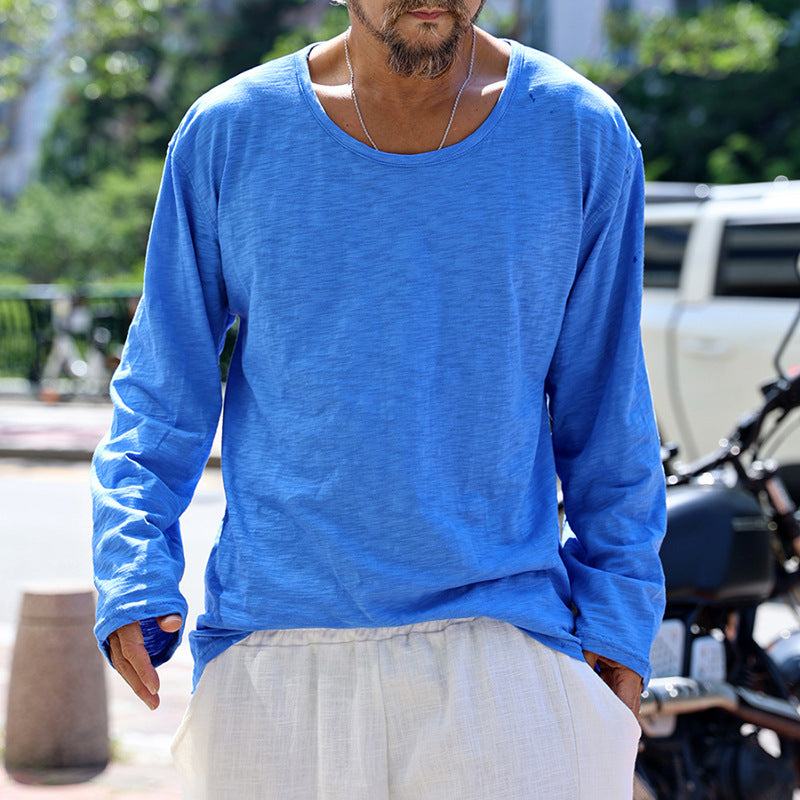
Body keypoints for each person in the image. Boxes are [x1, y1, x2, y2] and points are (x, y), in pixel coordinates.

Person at [91, 0, 666, 796]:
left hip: (506, 645)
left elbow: (606, 400)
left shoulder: (578, 132)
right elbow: (161, 387)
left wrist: (621, 613)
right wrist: (133, 566)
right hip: (274, 649)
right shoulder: (229, 132)